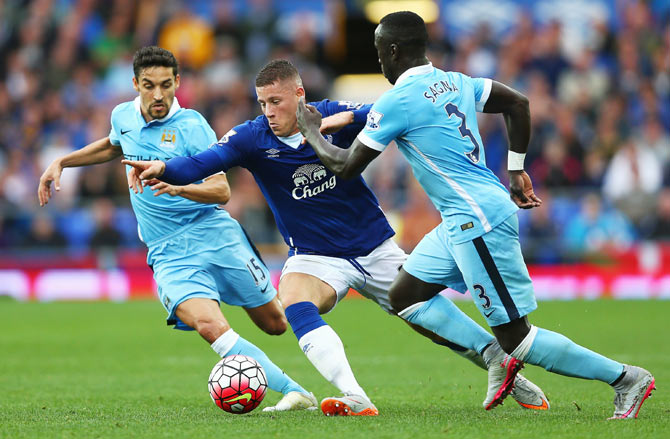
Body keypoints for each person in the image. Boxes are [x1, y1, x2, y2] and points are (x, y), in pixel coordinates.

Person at [123, 59, 549, 416]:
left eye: (276, 101)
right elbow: (204, 161)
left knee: (431, 324)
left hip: (375, 246)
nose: (268, 111)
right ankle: (355, 395)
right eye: (262, 103)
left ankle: (500, 362)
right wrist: (165, 169)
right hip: (316, 256)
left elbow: (385, 112)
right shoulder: (252, 138)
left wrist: (345, 118)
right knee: (293, 300)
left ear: (300, 95)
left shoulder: (331, 112)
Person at [295, 11, 655, 419]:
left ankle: (625, 378)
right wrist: (517, 169)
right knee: (404, 296)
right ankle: (494, 356)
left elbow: (345, 167)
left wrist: (310, 131)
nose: (378, 60)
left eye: (379, 51)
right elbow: (517, 102)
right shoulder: (454, 80)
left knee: (517, 338)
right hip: (462, 216)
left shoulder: (399, 100)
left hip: (476, 218)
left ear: (393, 51)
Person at [37, 46, 317, 412]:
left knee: (275, 323)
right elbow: (112, 145)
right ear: (136, 83)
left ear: (177, 83)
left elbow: (222, 190)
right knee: (208, 325)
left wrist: (177, 185)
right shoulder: (123, 115)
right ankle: (297, 393)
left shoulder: (192, 126)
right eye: (149, 86)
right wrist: (63, 161)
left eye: (166, 85)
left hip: (214, 233)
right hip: (168, 251)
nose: (158, 95)